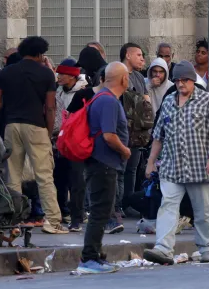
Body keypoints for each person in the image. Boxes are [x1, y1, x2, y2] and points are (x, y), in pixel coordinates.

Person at [143, 61, 209, 265]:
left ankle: (207, 249)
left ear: (192, 80)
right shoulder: (168, 102)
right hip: (172, 166)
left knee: (202, 211)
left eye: (185, 80)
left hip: (199, 166)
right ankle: (163, 248)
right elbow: (158, 136)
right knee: (168, 206)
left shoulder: (207, 100)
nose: (181, 83)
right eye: (177, 80)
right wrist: (151, 162)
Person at [0, 36, 67, 235]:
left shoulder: (7, 72)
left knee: (13, 174)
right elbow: (50, 107)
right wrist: (48, 132)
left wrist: (10, 111)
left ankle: (13, 220)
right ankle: (52, 221)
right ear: (40, 54)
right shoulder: (46, 74)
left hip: (11, 124)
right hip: (36, 125)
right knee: (44, 175)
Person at [78, 62, 131, 275]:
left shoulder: (100, 98)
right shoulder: (109, 101)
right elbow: (109, 135)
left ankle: (96, 256)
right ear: (124, 79)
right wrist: (125, 150)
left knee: (100, 211)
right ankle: (89, 258)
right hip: (104, 164)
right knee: (100, 213)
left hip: (99, 163)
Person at [120, 42, 153, 220]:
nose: (142, 59)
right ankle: (117, 205)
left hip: (138, 132)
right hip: (123, 129)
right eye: (139, 55)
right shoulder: (118, 73)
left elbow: (146, 102)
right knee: (120, 169)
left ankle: (128, 203)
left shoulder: (139, 78)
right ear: (128, 55)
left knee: (132, 169)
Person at [53, 61, 88, 232]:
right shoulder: (56, 91)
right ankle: (62, 211)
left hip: (76, 142)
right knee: (59, 178)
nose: (59, 77)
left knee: (76, 181)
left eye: (62, 74)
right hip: (60, 141)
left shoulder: (83, 92)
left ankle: (76, 216)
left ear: (72, 76)